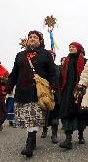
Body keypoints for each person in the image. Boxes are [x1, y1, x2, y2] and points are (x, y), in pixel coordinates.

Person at [5, 30, 58, 158]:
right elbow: (14, 73)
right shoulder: (20, 55)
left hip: (37, 92)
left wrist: (54, 86)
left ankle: (29, 145)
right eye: (30, 37)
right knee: (26, 118)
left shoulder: (46, 55)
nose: (32, 39)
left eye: (35, 37)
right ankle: (32, 141)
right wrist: (8, 87)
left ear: (40, 41)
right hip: (22, 91)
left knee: (33, 117)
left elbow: (52, 72)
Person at [59, 42, 88, 149]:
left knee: (80, 114)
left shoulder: (85, 61)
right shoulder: (66, 61)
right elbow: (61, 77)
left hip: (80, 90)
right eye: (69, 47)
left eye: (73, 47)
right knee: (68, 114)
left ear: (78, 48)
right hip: (67, 92)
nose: (71, 48)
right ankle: (68, 139)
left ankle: (81, 135)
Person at [41, 50, 61, 144]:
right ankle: (44, 130)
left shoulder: (58, 68)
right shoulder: (41, 67)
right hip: (44, 93)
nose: (51, 57)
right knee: (44, 113)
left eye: (53, 55)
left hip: (55, 94)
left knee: (55, 114)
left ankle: (54, 134)